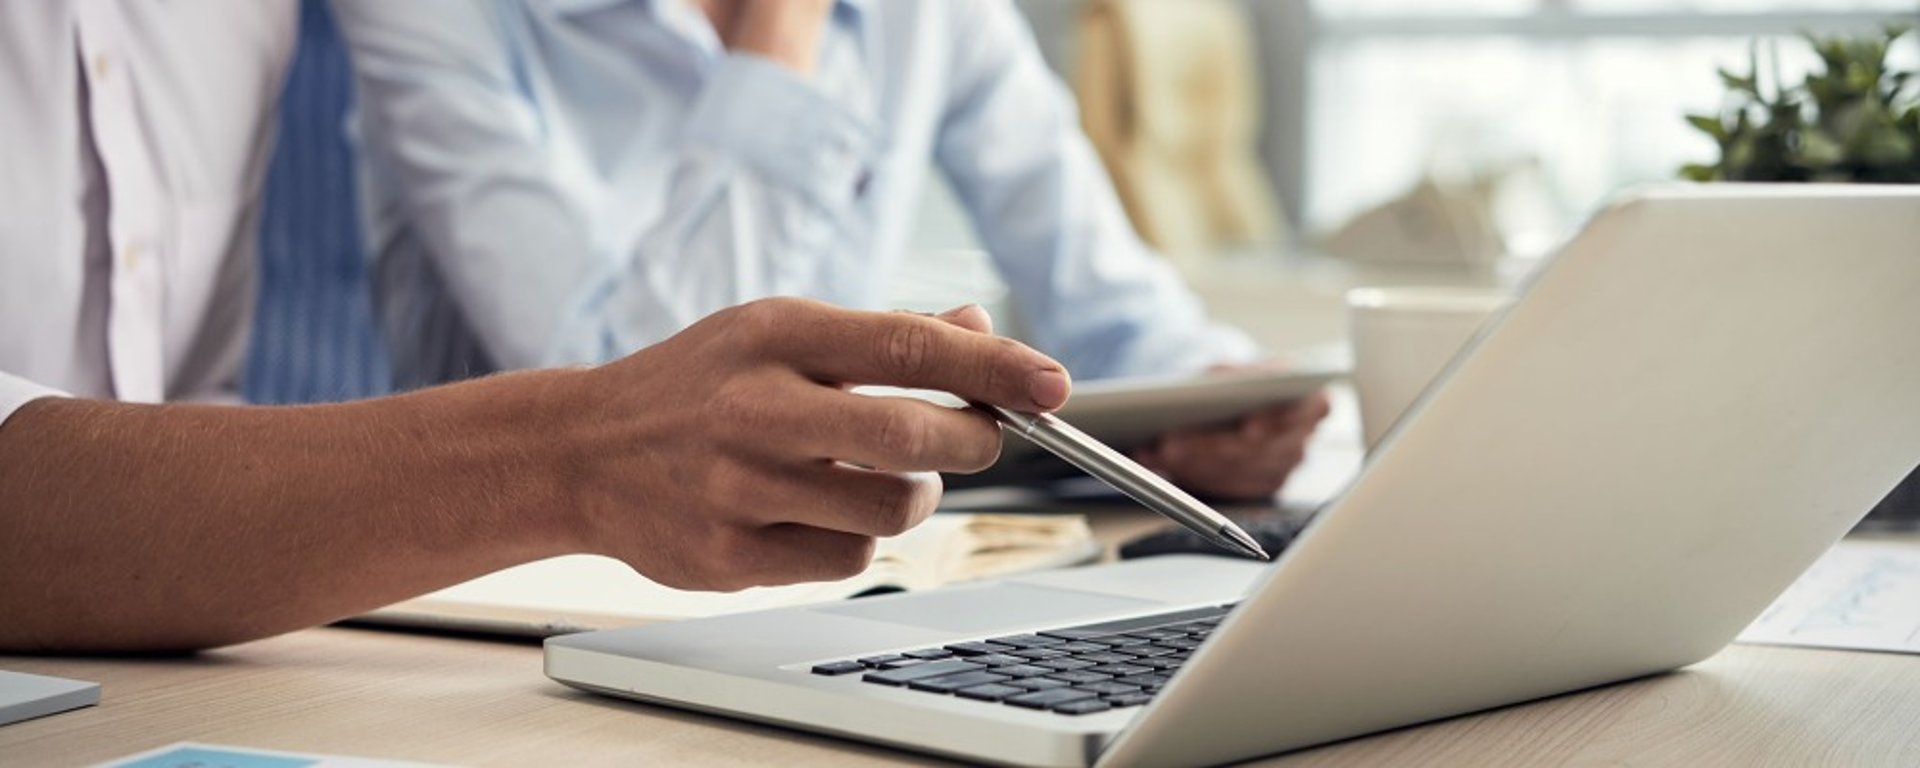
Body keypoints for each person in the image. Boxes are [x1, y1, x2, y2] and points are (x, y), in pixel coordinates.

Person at [0, 4, 1071, 653]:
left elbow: (177, 406)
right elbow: (659, 386)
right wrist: (785, 32)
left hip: (222, 643)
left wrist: (1208, 400)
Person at [333, 0, 1331, 500]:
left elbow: (1117, 316)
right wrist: (785, 24)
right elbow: (648, 407)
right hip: (512, 605)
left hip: (829, 562)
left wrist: (1215, 406)